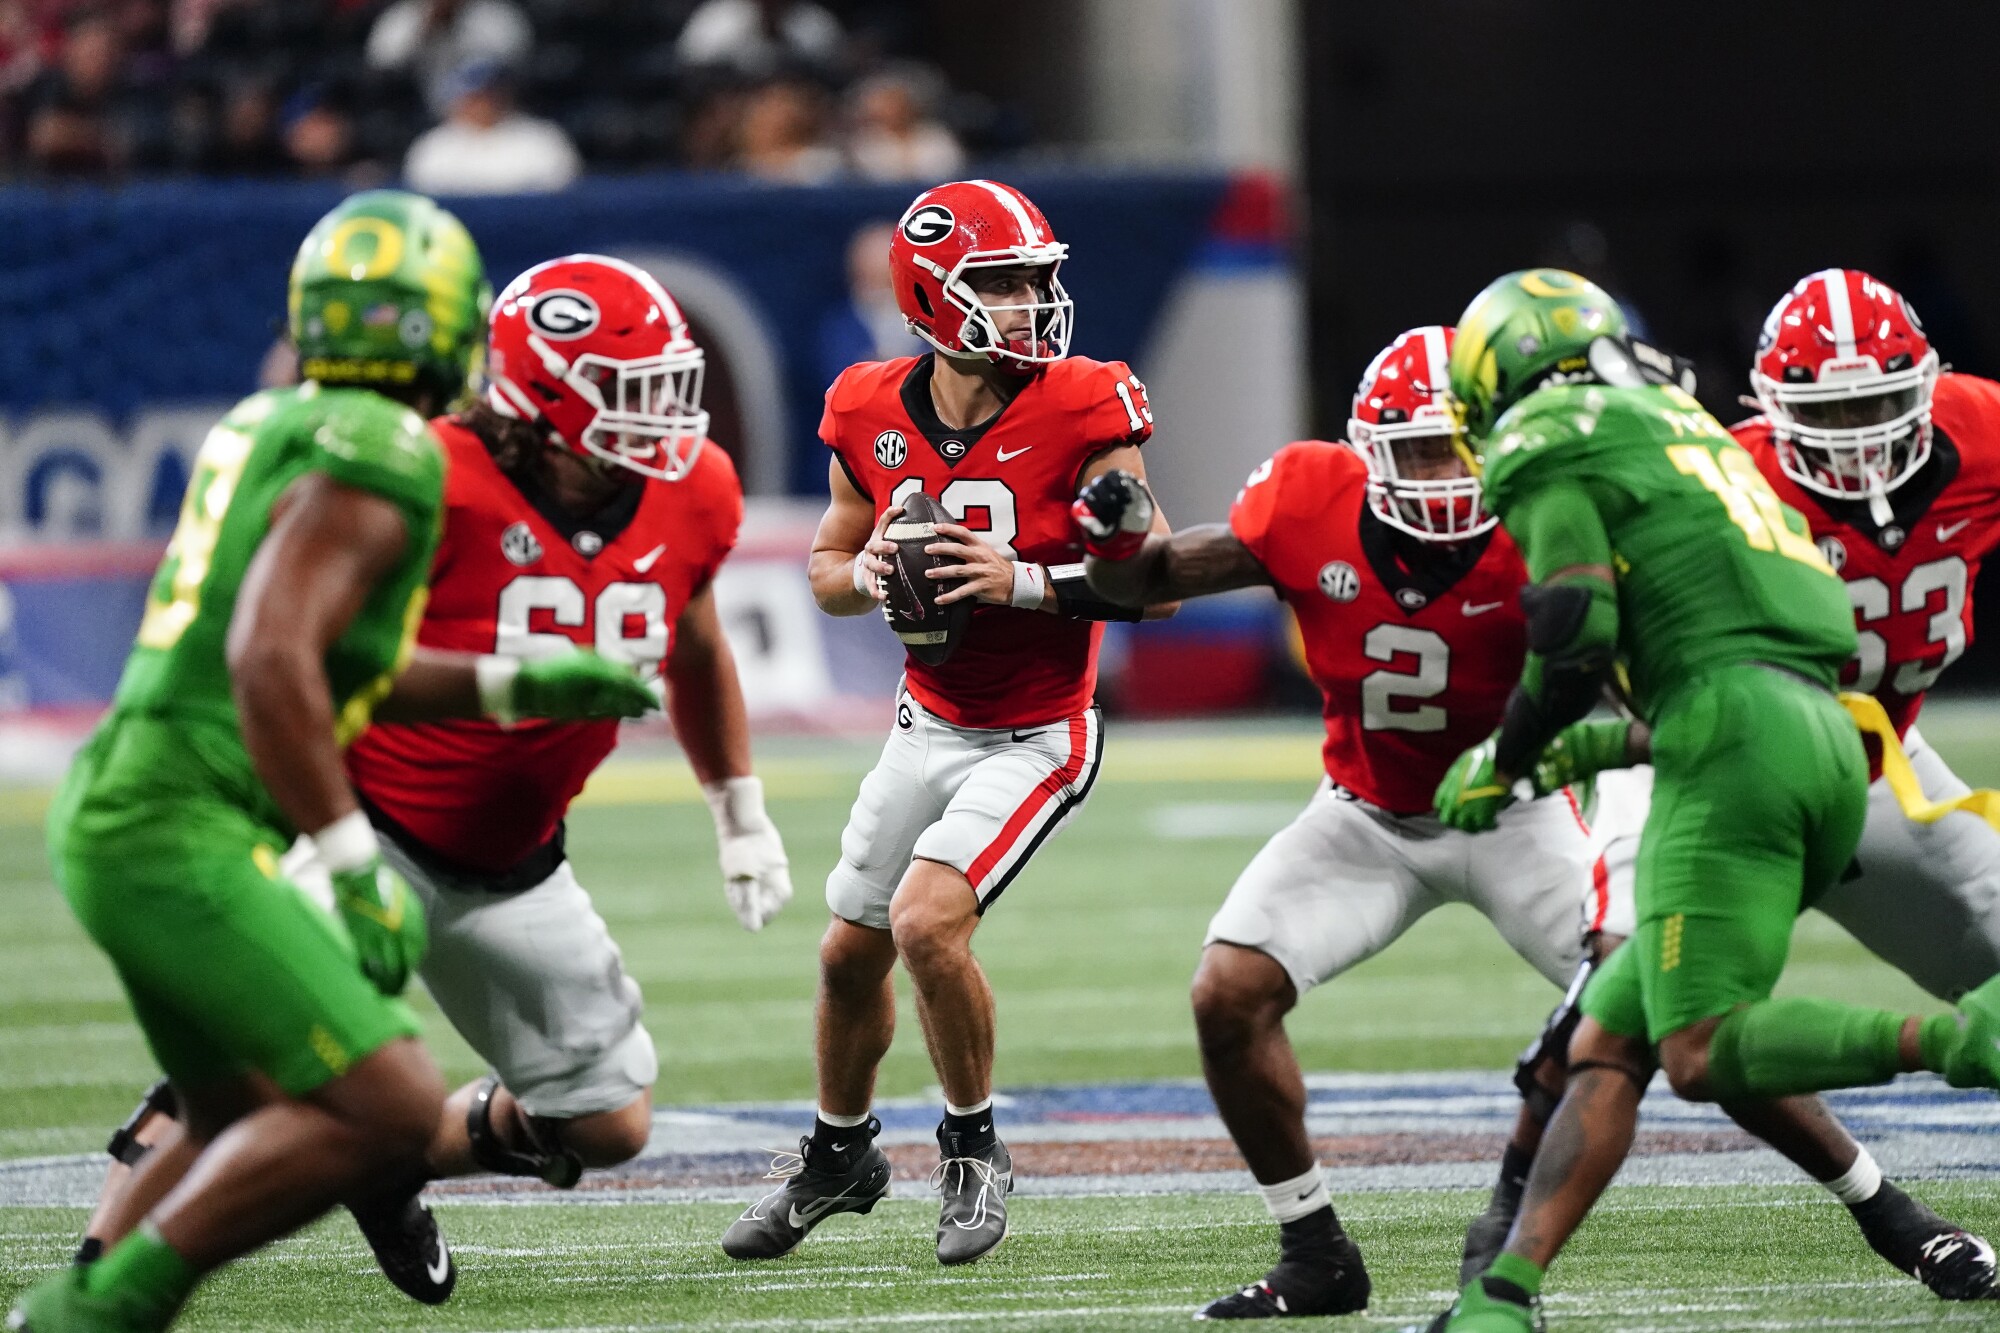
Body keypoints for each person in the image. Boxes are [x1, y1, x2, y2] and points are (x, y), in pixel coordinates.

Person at [68, 254, 793, 1305]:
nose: (666, 417)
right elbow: (305, 653)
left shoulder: (697, 489)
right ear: (542, 394)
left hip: (513, 857)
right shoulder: (421, 472)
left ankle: (388, 1163)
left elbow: (693, 643)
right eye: (629, 392)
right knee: (247, 1063)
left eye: (667, 385)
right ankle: (93, 1280)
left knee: (604, 1122)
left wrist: (738, 808)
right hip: (356, 818)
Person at [7, 190, 657, 1332]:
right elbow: (271, 660)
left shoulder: (268, 420)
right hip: (181, 820)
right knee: (392, 1106)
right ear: (452, 330)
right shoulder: (392, 450)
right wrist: (349, 853)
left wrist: (519, 684)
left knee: (238, 1110)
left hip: (125, 801)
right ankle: (95, 1312)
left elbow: (330, 656)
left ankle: (83, 1300)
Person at [1422, 268, 2000, 1333]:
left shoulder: (1553, 439)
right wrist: (1581, 747)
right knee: (1610, 1013)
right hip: (1783, 733)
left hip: (1814, 750)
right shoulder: (1700, 440)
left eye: (1881, 407)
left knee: (1691, 1038)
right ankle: (1499, 1287)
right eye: (1831, 415)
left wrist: (1513, 758)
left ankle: (1954, 1047)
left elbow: (1574, 636)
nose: (1860, 439)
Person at [1077, 325, 1602, 1318]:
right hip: (1367, 817)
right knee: (1224, 991)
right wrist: (1110, 539)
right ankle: (1314, 1250)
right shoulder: (1307, 496)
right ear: (1366, 453)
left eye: (1461, 448)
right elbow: (1146, 583)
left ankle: (1875, 1203)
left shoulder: (1551, 516)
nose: (1444, 477)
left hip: (1518, 810)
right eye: (1418, 452)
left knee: (1655, 1006)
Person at [719, 178, 1173, 1267]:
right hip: (925, 722)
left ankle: (971, 1147)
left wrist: (1023, 579)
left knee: (926, 923)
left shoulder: (1085, 401)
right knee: (844, 956)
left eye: (1034, 282)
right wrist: (867, 567)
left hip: (1039, 730)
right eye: (999, 283)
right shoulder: (868, 407)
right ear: (931, 295)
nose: (1026, 305)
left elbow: (1150, 583)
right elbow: (829, 566)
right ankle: (839, 1153)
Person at [402, 59, 580, 197]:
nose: (485, 103)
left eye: (491, 92)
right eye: (475, 95)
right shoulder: (433, 146)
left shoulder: (543, 138)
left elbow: (561, 195)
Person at [365, 0, 531, 117]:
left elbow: (513, 63)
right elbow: (382, 67)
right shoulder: (403, 17)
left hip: (487, 110)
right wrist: (425, 29)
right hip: (416, 111)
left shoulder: (494, 15)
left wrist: (457, 24)